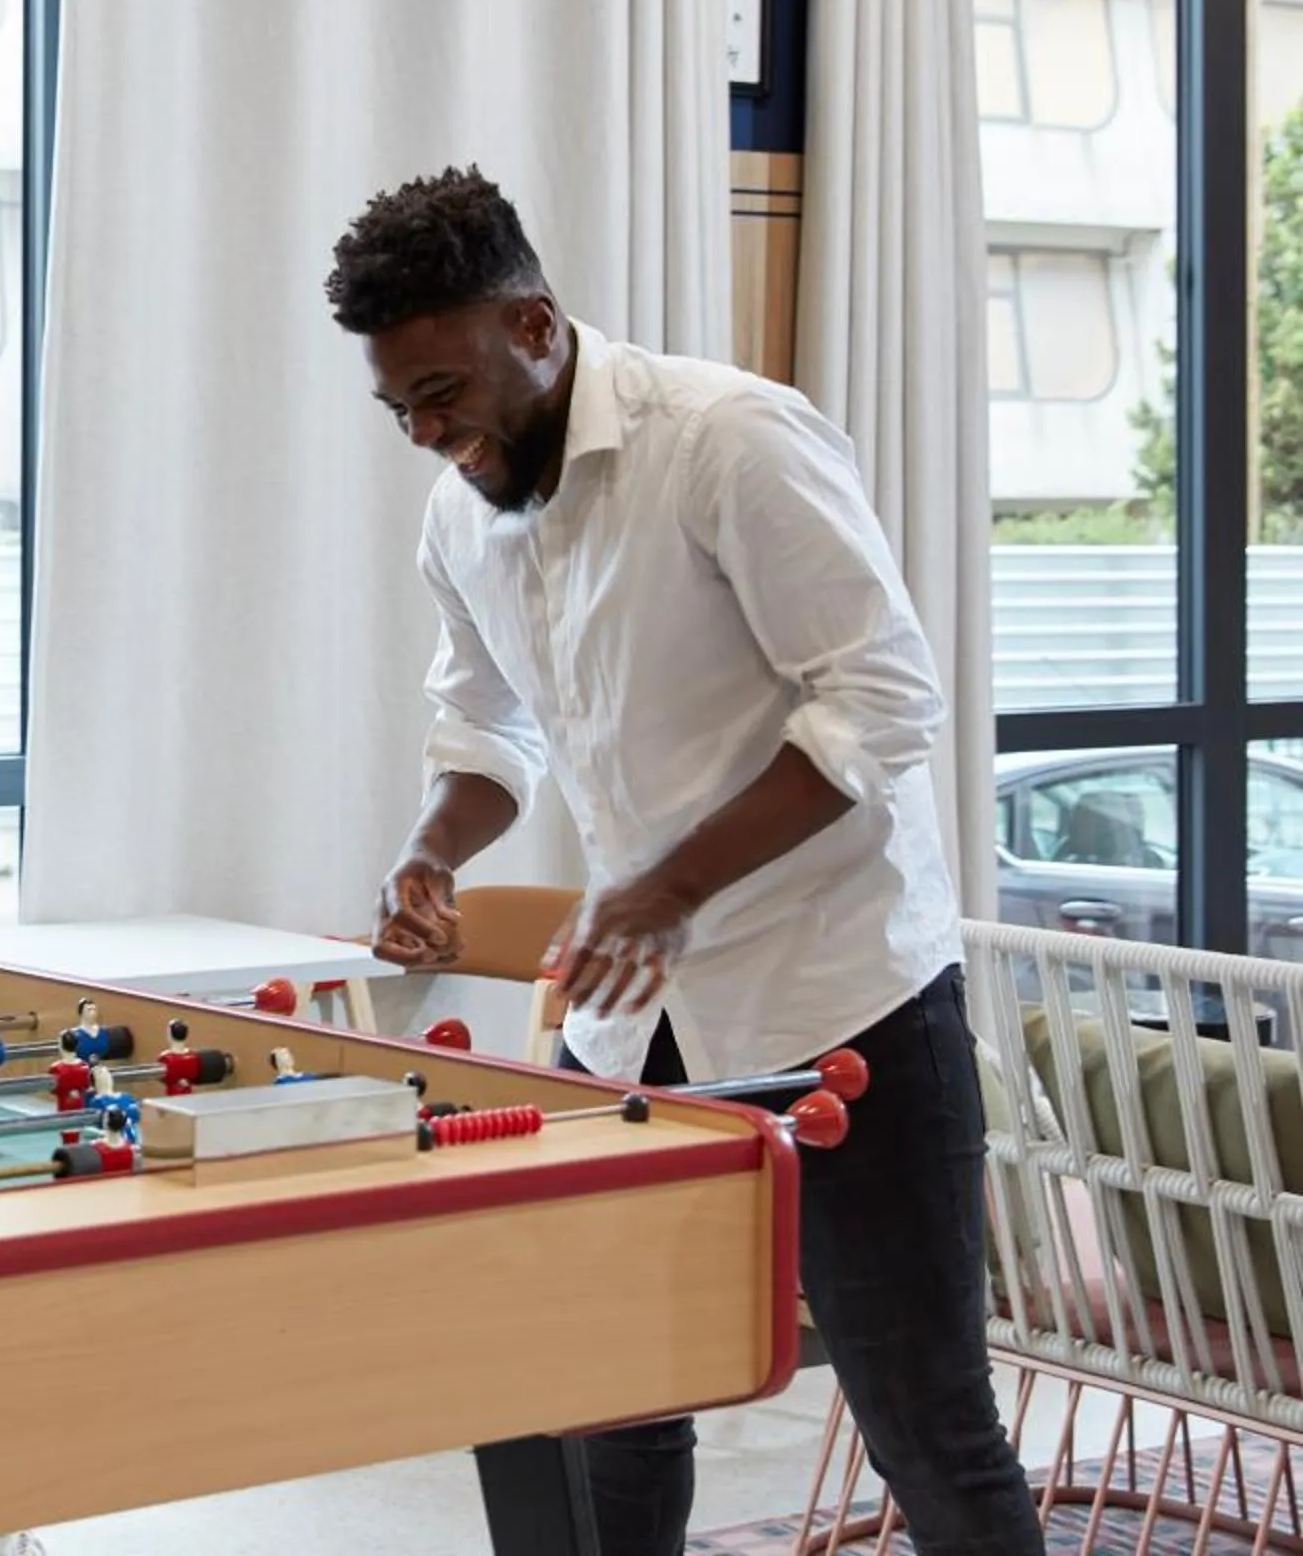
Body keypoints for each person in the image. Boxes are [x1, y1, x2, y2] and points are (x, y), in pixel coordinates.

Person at [326, 169, 1037, 1555]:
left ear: (534, 326)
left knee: (926, 1428)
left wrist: (668, 886)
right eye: (398, 407)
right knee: (613, 1408)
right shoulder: (461, 513)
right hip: (634, 1026)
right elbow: (484, 722)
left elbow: (884, 702)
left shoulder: (732, 442)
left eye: (444, 392)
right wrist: (429, 852)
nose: (427, 434)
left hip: (844, 1007)